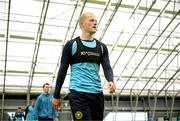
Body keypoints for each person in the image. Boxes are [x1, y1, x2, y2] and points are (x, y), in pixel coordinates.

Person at [52, 12, 116, 121]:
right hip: (78, 95)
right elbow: (62, 70)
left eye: (96, 20)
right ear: (82, 25)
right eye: (91, 20)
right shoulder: (71, 45)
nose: (95, 22)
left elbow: (107, 67)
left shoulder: (102, 47)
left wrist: (110, 80)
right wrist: (56, 95)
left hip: (97, 95)